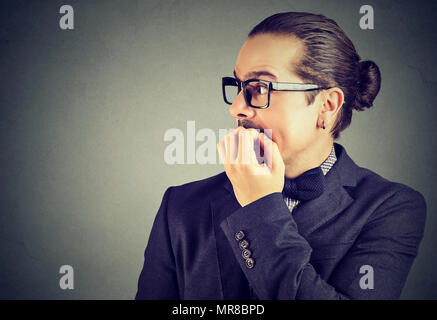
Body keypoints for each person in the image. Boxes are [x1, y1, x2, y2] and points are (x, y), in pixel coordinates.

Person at [135, 12, 426, 300]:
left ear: (327, 105)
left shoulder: (391, 208)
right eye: (239, 86)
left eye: (260, 88)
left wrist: (260, 206)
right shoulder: (181, 206)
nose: (236, 107)